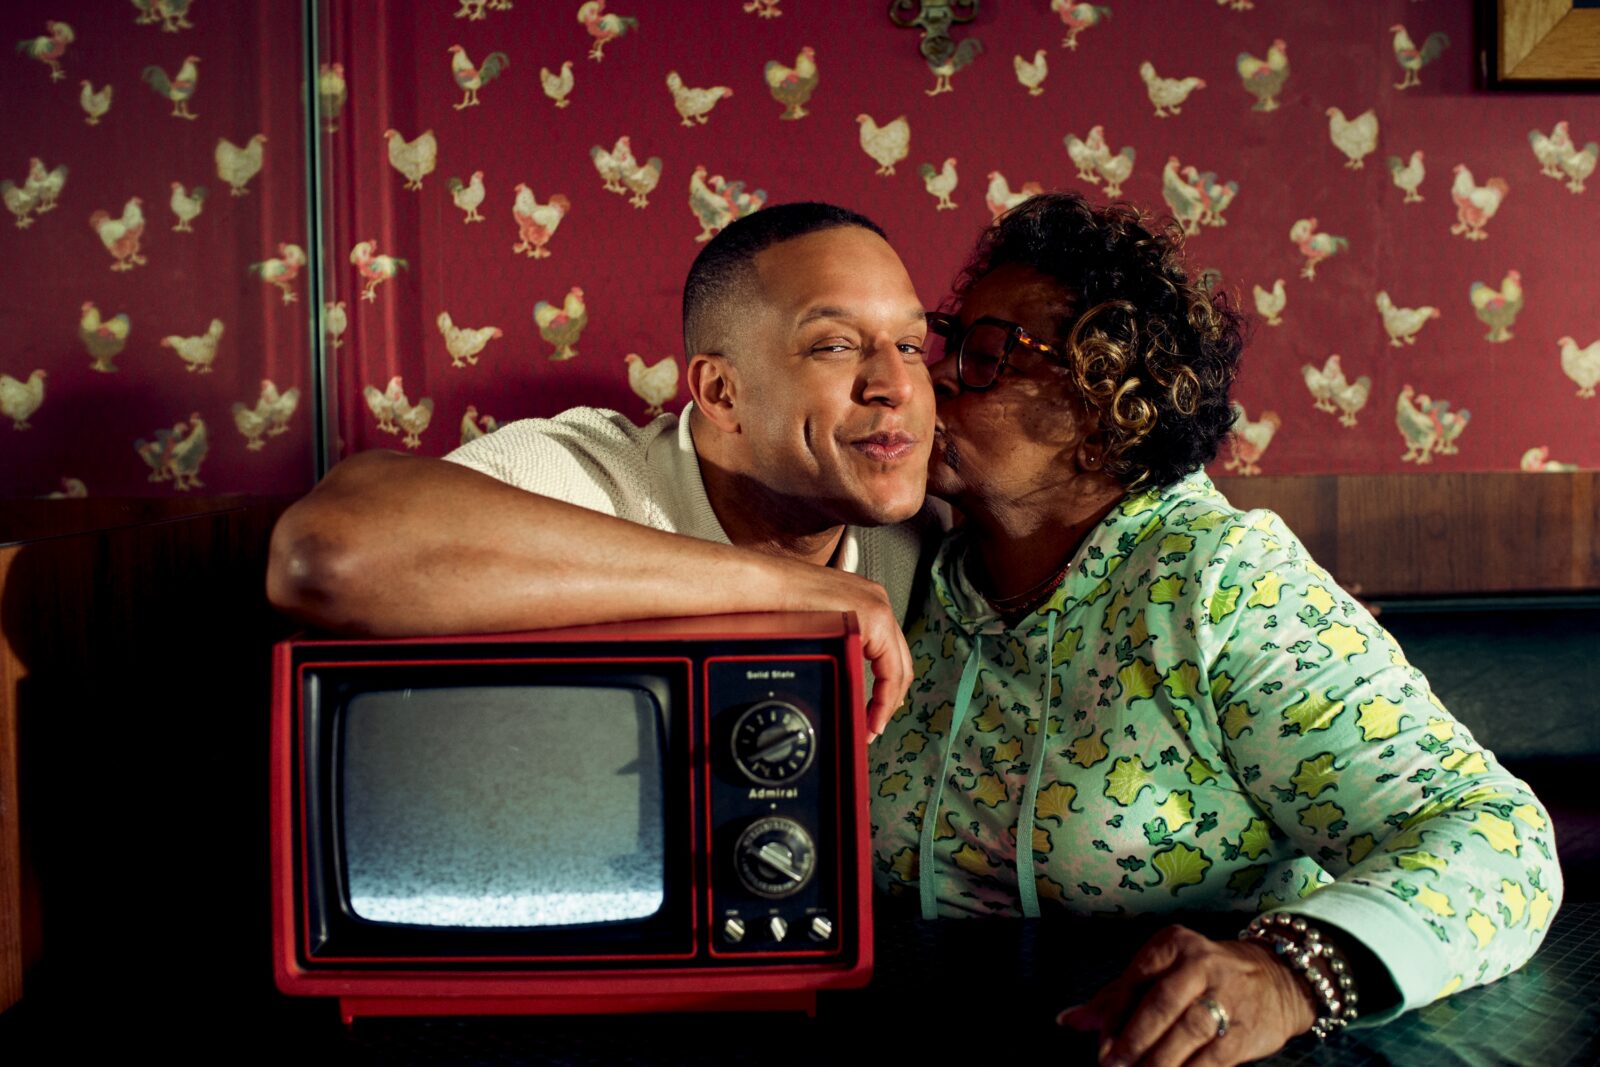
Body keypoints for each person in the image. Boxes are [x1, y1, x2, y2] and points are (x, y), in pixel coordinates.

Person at [871, 193, 1561, 1065]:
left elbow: (1499, 838)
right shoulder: (903, 563)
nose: (930, 378)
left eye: (986, 354)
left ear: (1109, 408)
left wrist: (1285, 976)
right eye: (945, 341)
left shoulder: (1223, 583)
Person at [267, 203, 937, 726]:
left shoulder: (918, 531)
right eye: (835, 345)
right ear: (720, 393)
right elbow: (327, 553)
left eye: (911, 343)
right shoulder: (591, 477)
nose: (896, 383)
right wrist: (796, 590)